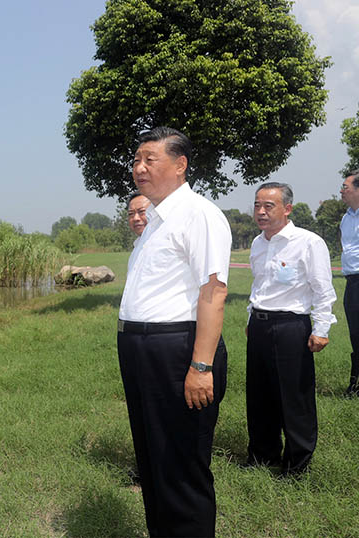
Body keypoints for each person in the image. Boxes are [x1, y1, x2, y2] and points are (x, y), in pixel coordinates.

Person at [118, 127, 230, 538]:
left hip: (178, 348)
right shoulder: (154, 222)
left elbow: (214, 292)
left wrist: (201, 365)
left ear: (180, 165)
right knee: (153, 457)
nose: (139, 168)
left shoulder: (198, 214)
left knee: (181, 462)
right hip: (141, 348)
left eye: (150, 159)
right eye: (136, 160)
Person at [246, 183, 336, 475]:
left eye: (268, 206)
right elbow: (259, 285)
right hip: (260, 325)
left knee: (294, 397)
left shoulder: (308, 242)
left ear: (287, 209)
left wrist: (321, 328)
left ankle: (297, 464)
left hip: (290, 326)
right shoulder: (258, 243)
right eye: (257, 205)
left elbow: (322, 289)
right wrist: (251, 318)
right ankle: (263, 455)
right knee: (260, 395)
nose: (261, 212)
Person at [340, 170, 359, 396]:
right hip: (352, 282)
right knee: (355, 333)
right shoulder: (347, 218)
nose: (341, 191)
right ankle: (356, 382)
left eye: (346, 187)